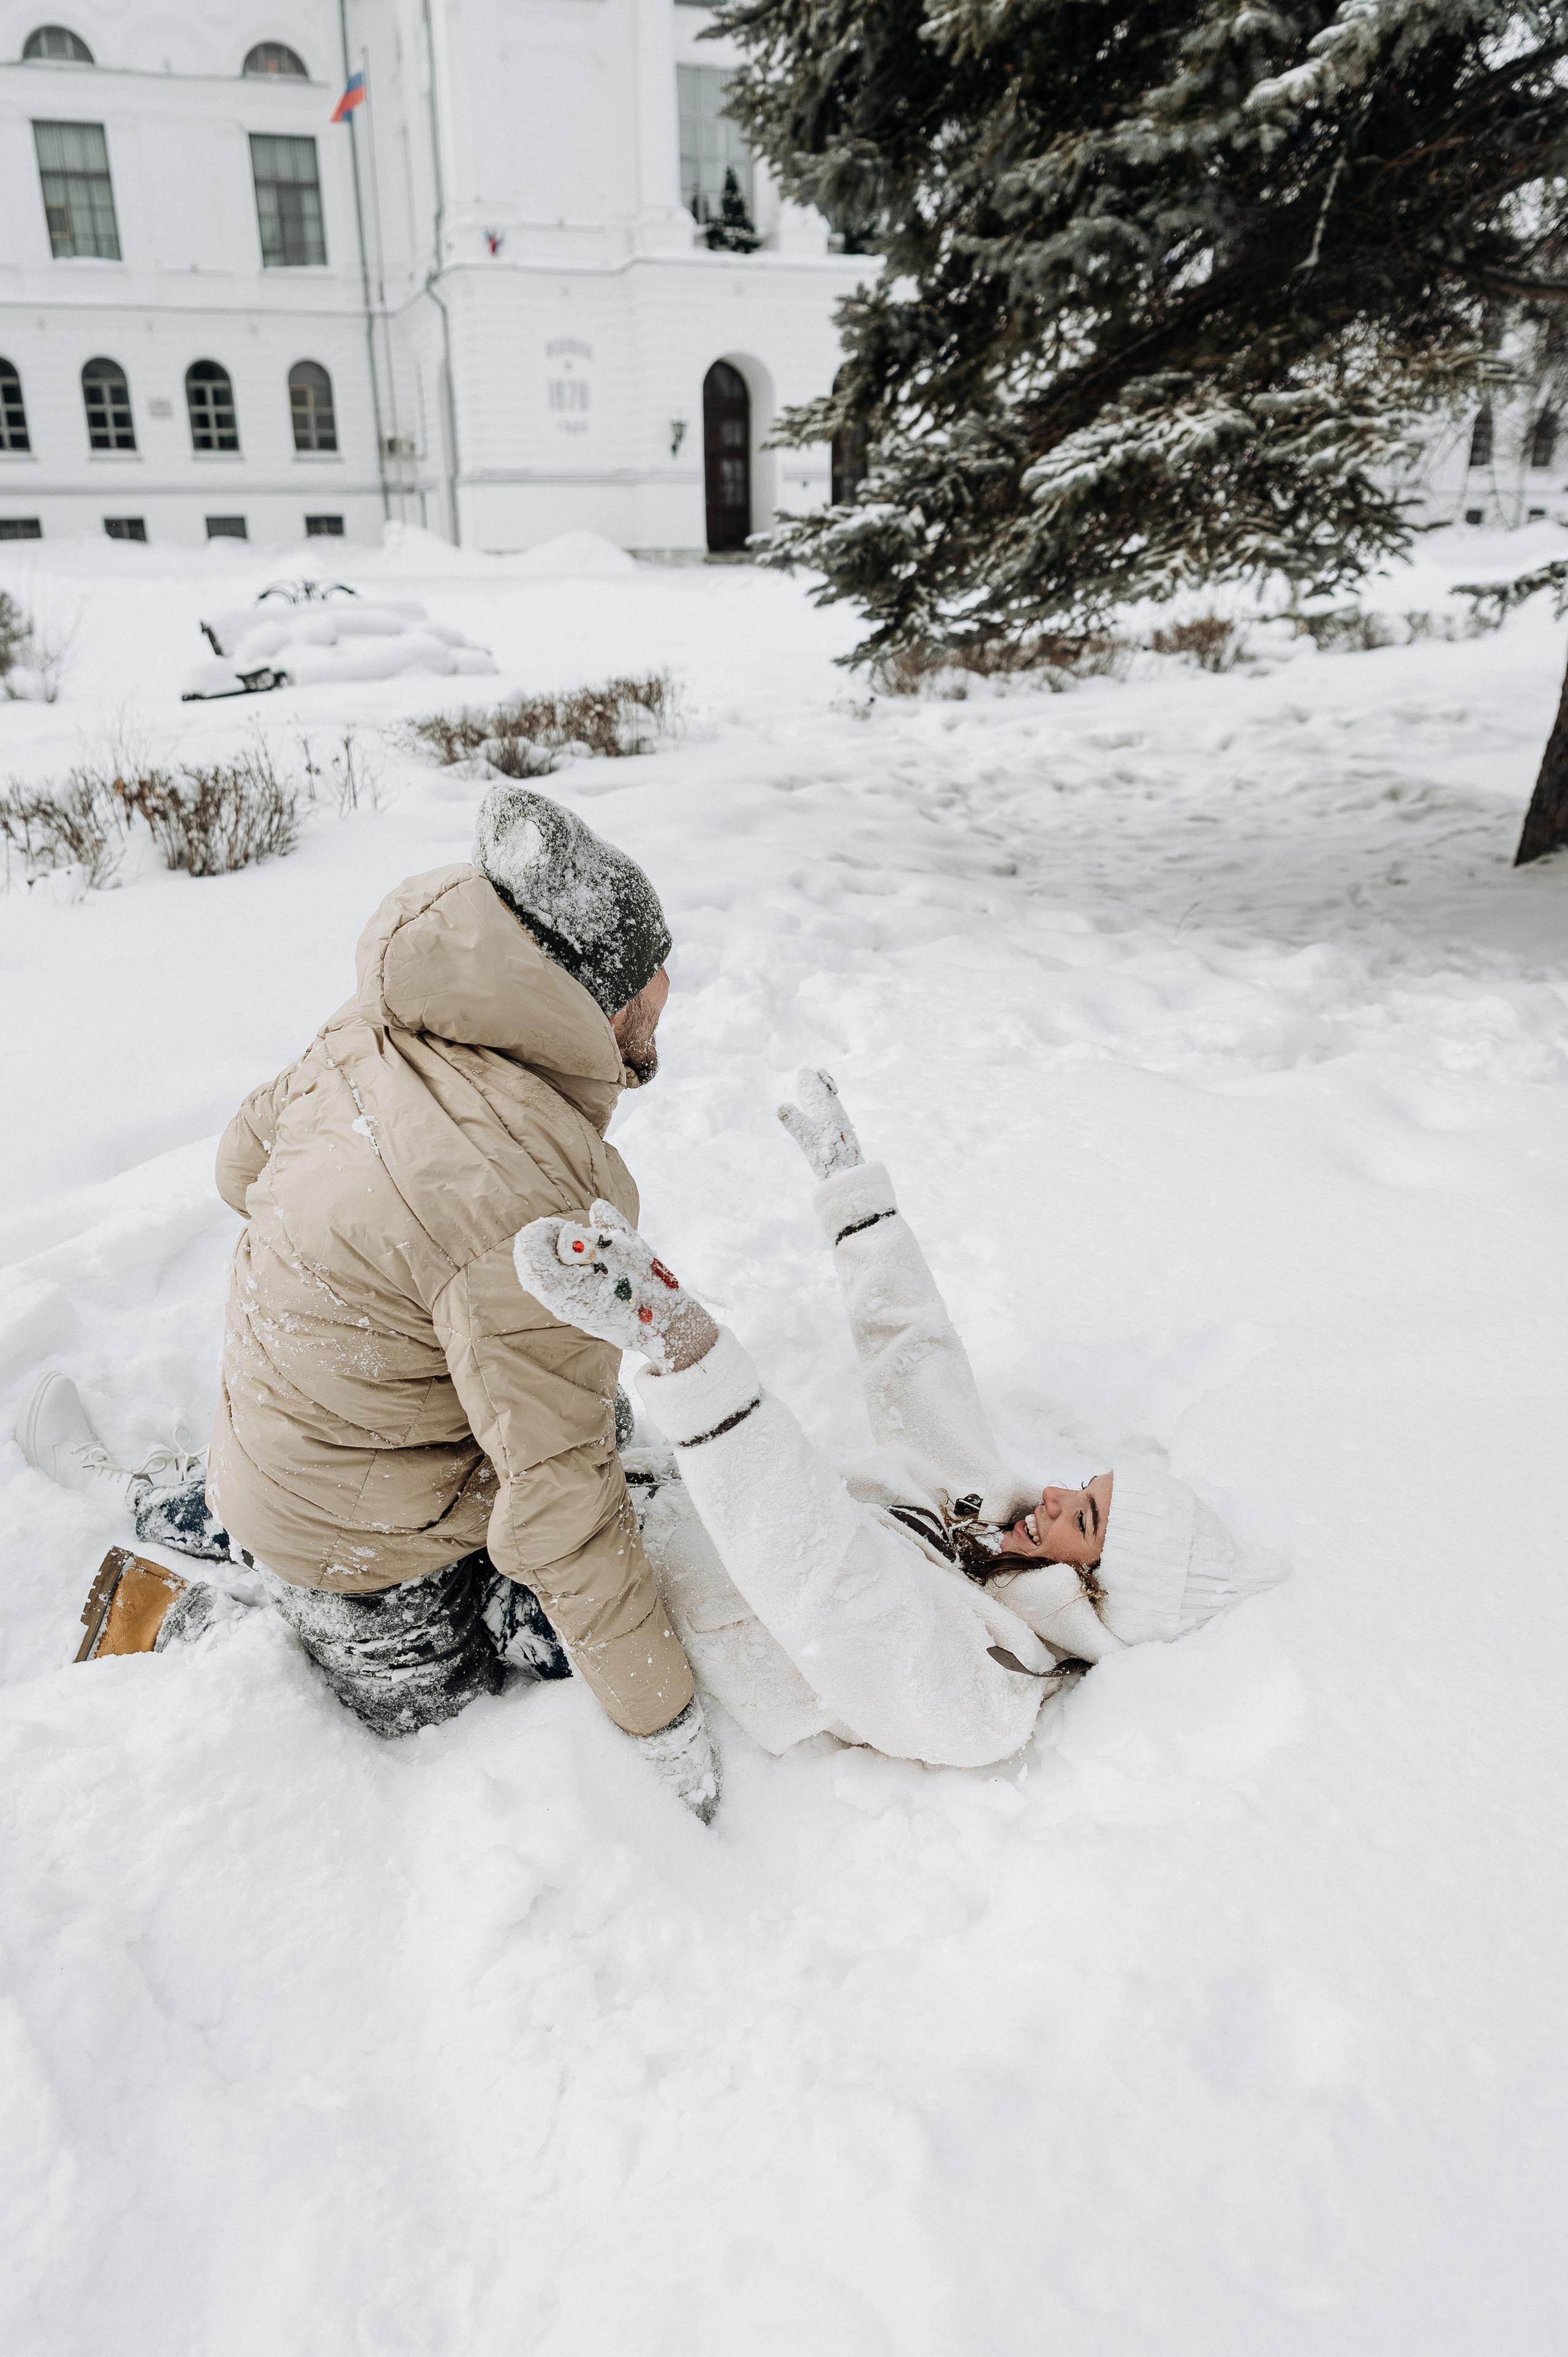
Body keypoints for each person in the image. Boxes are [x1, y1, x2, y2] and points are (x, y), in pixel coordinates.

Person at [14, 785, 720, 1822]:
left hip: (286, 1442)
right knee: (448, 1686)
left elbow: (234, 1168)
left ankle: (191, 1503)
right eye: (650, 979)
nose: (668, 987)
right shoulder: (522, 1190)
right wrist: (670, 1732)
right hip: (369, 1566)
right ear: (592, 993)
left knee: (590, 1416)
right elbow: (562, 1496)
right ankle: (175, 1622)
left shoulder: (387, 1021)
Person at [511, 1070, 1282, 1768]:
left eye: (1081, 1516)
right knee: (489, 1333)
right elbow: (918, 1362)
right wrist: (854, 1197)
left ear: (1097, 1591)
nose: (1050, 1495)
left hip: (600, 1604)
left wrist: (690, 1352)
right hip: (644, 1488)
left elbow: (822, 1575)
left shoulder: (983, 1699)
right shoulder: (986, 1519)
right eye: (1079, 1486)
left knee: (433, 1489)